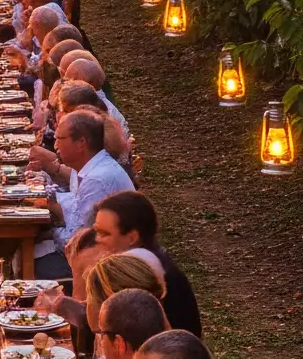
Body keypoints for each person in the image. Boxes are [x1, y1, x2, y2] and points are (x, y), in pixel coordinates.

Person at [88, 191, 202, 338]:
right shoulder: (150, 256)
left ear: (132, 238)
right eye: (97, 231)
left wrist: (80, 268)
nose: (97, 239)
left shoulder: (136, 271)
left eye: (104, 234)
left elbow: (97, 326)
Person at [29, 108, 126, 276]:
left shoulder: (96, 180)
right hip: (94, 253)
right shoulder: (89, 167)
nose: (55, 145)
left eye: (60, 139)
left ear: (81, 142)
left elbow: (75, 243)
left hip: (104, 267)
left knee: (30, 254)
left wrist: (49, 230)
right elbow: (76, 213)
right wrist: (49, 202)